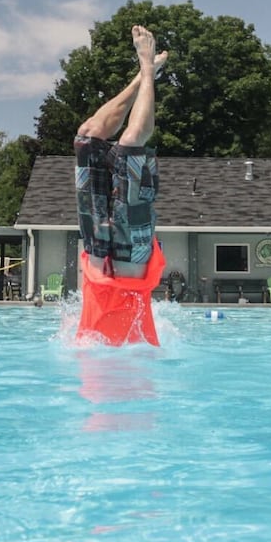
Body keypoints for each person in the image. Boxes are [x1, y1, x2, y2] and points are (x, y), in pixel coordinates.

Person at [72, 25, 168, 345]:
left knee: (87, 136)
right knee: (130, 146)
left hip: (97, 261)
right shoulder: (136, 357)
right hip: (132, 271)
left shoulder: (87, 356)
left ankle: (142, 76)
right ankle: (146, 69)